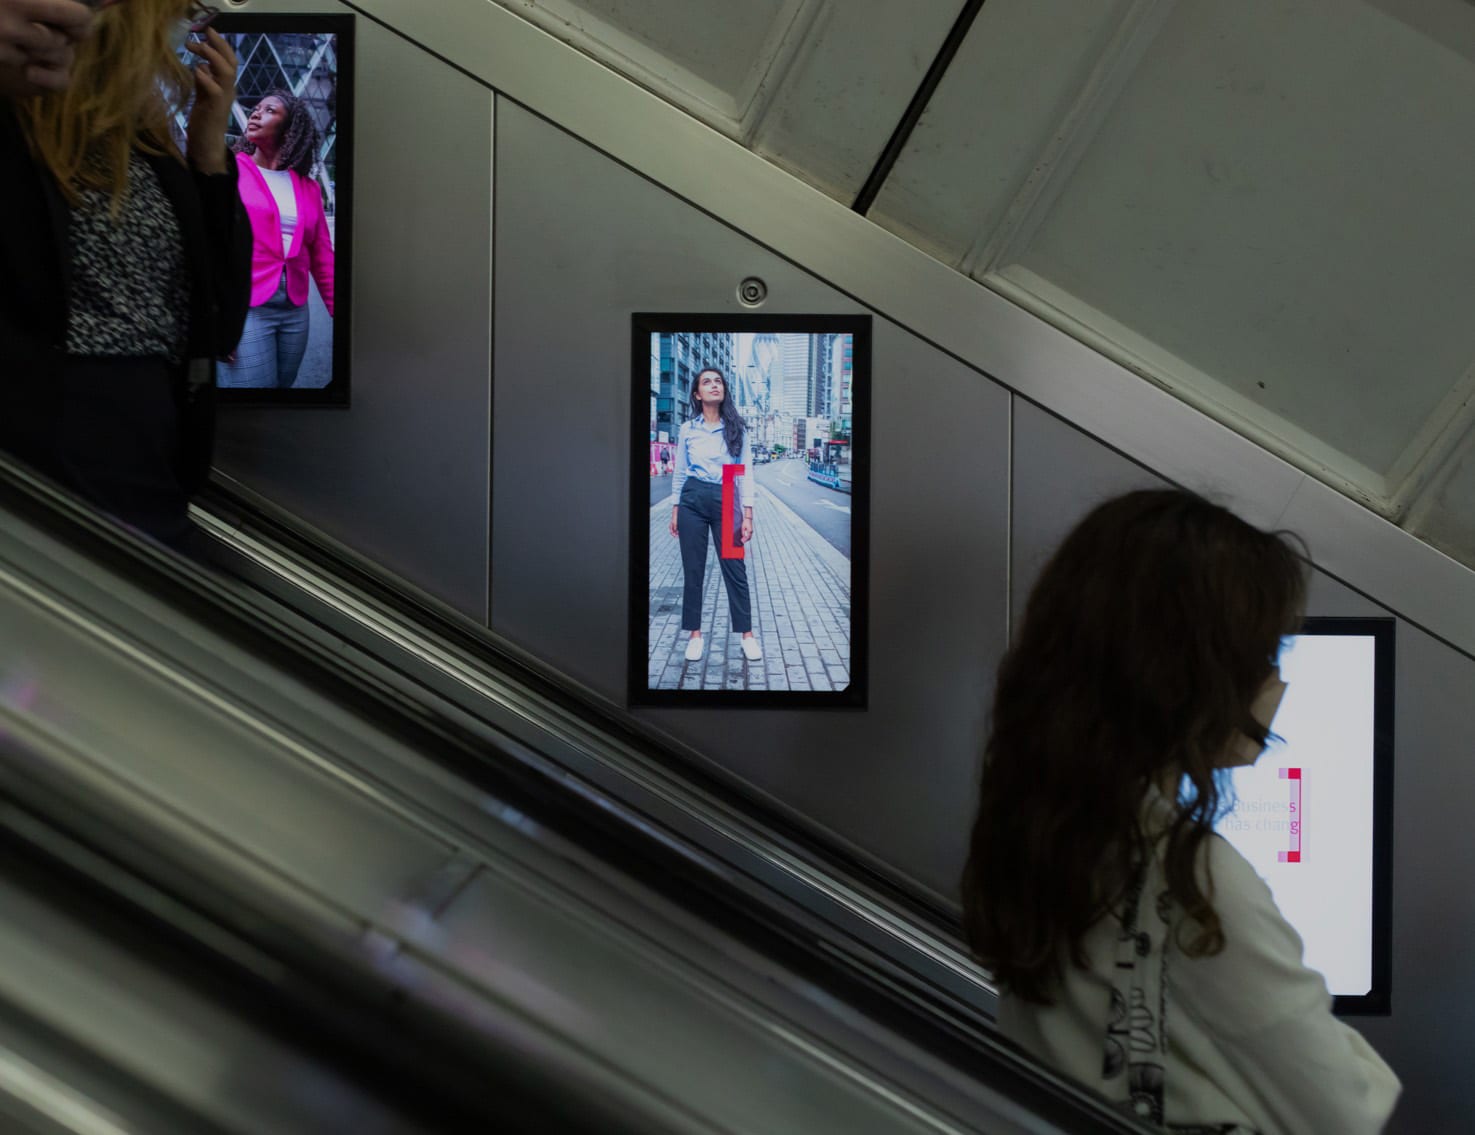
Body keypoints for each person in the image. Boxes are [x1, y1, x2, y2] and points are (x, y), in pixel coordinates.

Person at [962, 489, 1400, 1133]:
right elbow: (1347, 1109)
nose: (1274, 681)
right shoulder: (1196, 882)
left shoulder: (1047, 831)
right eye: (1262, 655)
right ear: (1189, 676)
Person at [0, 0, 250, 547]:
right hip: (47, 473)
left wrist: (210, 156)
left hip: (148, 467)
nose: (183, 37)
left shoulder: (149, 148)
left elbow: (221, 326)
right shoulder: (17, 125)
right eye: (181, 14)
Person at [218, 87, 334, 389]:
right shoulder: (231, 171)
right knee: (253, 397)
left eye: (270, 110)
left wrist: (345, 316)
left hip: (295, 311)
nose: (256, 112)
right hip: (247, 307)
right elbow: (214, 244)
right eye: (256, 108)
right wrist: (217, 319)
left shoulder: (308, 187)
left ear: (289, 128)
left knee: (283, 395)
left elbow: (322, 257)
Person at [668, 367, 761, 663]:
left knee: (735, 569)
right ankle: (694, 635)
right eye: (706, 382)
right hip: (692, 498)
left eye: (718, 381)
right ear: (697, 393)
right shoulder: (687, 430)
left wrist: (747, 514)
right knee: (693, 569)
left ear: (723, 391)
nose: (714, 385)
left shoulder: (737, 428)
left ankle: (746, 635)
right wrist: (675, 509)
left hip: (728, 495)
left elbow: (743, 472)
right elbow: (680, 473)